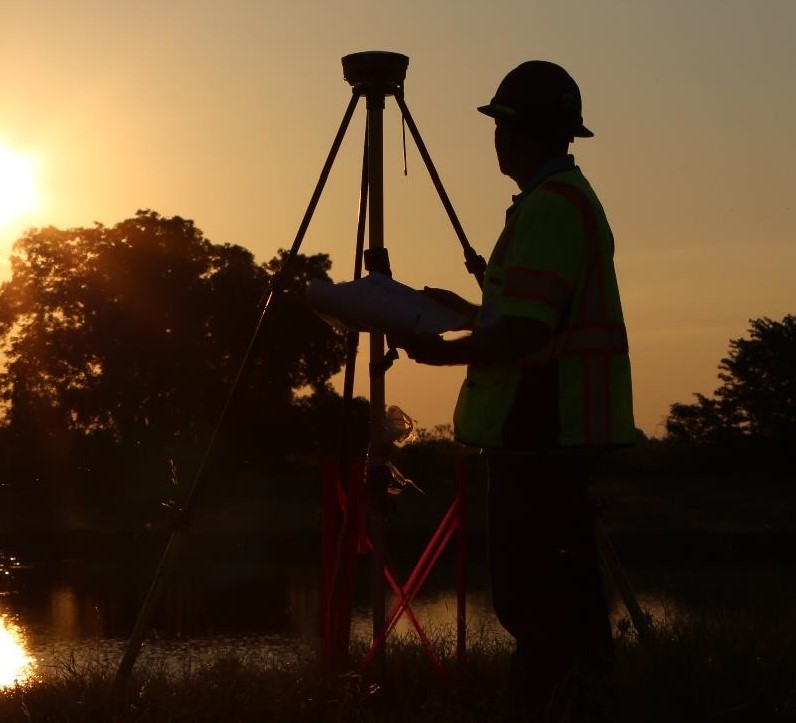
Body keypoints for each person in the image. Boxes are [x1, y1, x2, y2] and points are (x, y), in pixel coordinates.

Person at [392, 61, 635, 720]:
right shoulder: (554, 201)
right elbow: (532, 313)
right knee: (558, 593)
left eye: (500, 126)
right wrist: (468, 312)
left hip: (544, 428)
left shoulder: (554, 207)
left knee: (535, 598)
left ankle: (553, 704)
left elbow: (527, 331)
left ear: (515, 132)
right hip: (546, 430)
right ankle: (578, 697)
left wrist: (439, 353)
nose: (495, 139)